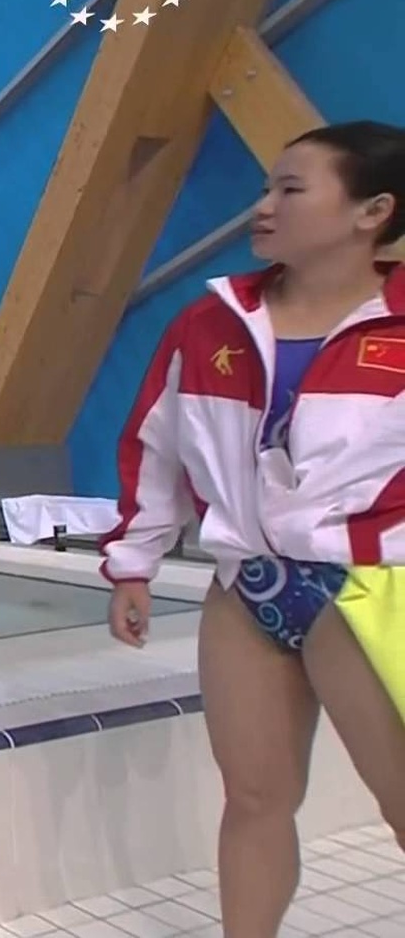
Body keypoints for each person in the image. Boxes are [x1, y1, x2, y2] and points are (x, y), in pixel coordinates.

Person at [101, 120, 403, 938]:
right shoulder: (209, 325)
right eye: (267, 187)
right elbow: (155, 448)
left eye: (291, 190)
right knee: (255, 798)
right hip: (247, 590)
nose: (263, 206)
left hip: (371, 587)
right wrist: (133, 564)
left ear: (373, 210)